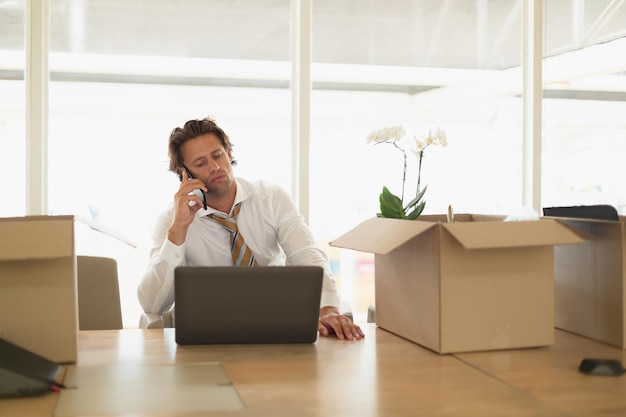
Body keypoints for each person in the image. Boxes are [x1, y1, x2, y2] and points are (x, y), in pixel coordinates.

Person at [137, 116, 364, 341]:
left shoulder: (271, 198)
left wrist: (327, 308)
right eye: (200, 163)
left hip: (277, 326)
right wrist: (179, 229)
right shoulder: (172, 220)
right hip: (208, 336)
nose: (214, 167)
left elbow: (306, 255)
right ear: (184, 174)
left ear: (229, 153)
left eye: (217, 155)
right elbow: (153, 304)